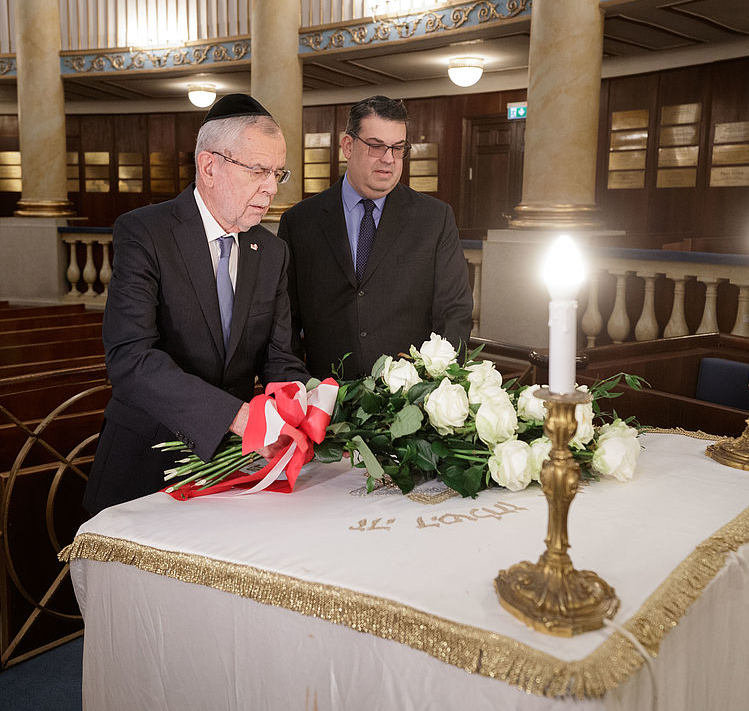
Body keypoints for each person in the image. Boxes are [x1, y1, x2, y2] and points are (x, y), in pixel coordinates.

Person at [84, 94, 309, 514]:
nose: (272, 188)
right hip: (146, 465)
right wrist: (236, 417)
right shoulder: (145, 232)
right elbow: (130, 358)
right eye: (258, 171)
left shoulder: (271, 251)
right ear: (209, 166)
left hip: (234, 471)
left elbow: (281, 357)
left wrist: (301, 404)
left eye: (278, 173)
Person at [278, 95, 473, 380]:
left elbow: (455, 313)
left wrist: (439, 386)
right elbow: (286, 320)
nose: (388, 159)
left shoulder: (434, 218)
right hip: (326, 394)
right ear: (348, 145)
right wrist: (297, 387)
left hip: (410, 400)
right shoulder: (300, 221)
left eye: (397, 148)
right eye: (376, 146)